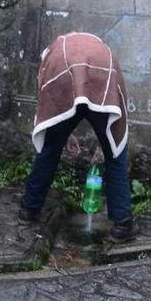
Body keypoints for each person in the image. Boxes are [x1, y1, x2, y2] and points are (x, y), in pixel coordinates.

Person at [18, 32, 135, 243]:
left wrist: (63, 130)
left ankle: (29, 208)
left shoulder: (54, 53)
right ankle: (122, 222)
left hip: (62, 74)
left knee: (50, 149)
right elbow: (117, 91)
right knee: (114, 154)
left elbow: (47, 98)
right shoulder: (102, 50)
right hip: (102, 78)